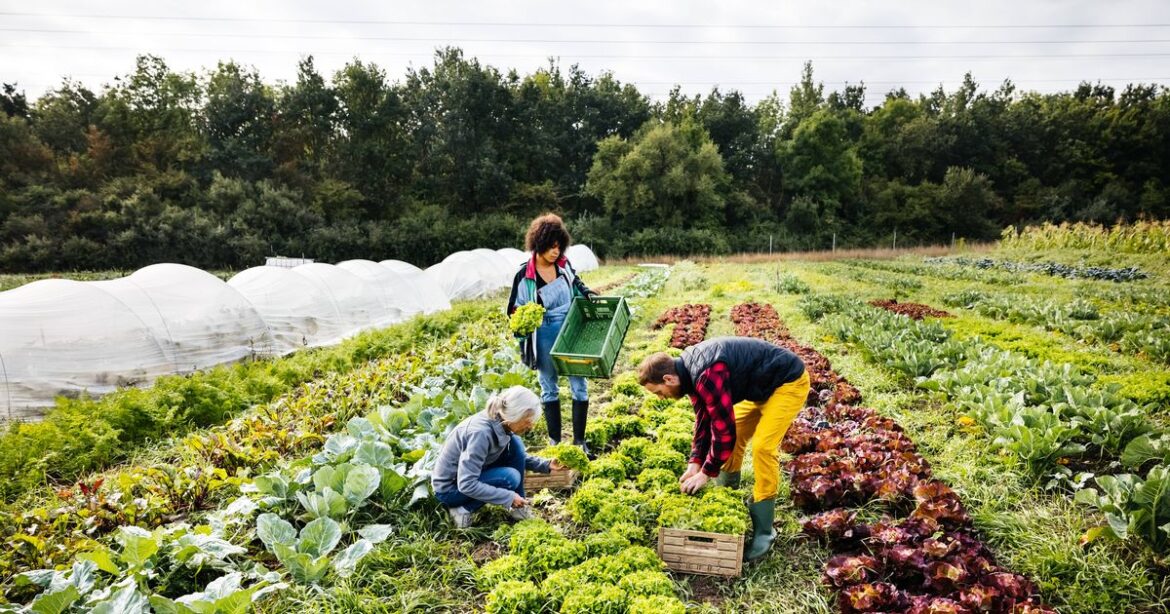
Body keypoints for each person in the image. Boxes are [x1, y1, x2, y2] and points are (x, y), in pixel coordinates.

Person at [637, 337, 810, 562]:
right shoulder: (688, 374)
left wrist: (707, 473)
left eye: (658, 392)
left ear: (668, 378)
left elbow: (722, 430)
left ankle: (765, 530)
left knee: (762, 448)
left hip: (787, 383)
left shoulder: (706, 374)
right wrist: (695, 463)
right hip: (759, 388)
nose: (661, 397)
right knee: (736, 434)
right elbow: (703, 420)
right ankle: (729, 494)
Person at [506, 213, 598, 457]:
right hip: (544, 331)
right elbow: (513, 310)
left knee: (579, 384)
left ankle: (580, 442)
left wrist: (587, 292)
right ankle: (555, 443)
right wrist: (524, 322)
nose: (556, 251)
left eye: (559, 246)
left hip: (570, 326)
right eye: (551, 247)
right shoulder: (524, 275)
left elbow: (576, 282)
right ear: (538, 244)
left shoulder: (563, 265)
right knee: (549, 387)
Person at [431, 386, 564, 528]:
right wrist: (508, 497)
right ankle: (462, 510)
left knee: (516, 444)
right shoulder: (480, 434)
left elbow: (517, 456)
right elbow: (466, 484)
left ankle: (519, 507)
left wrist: (546, 464)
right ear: (515, 415)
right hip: (450, 490)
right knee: (509, 478)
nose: (531, 425)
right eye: (528, 419)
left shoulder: (501, 422)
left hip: (468, 476)